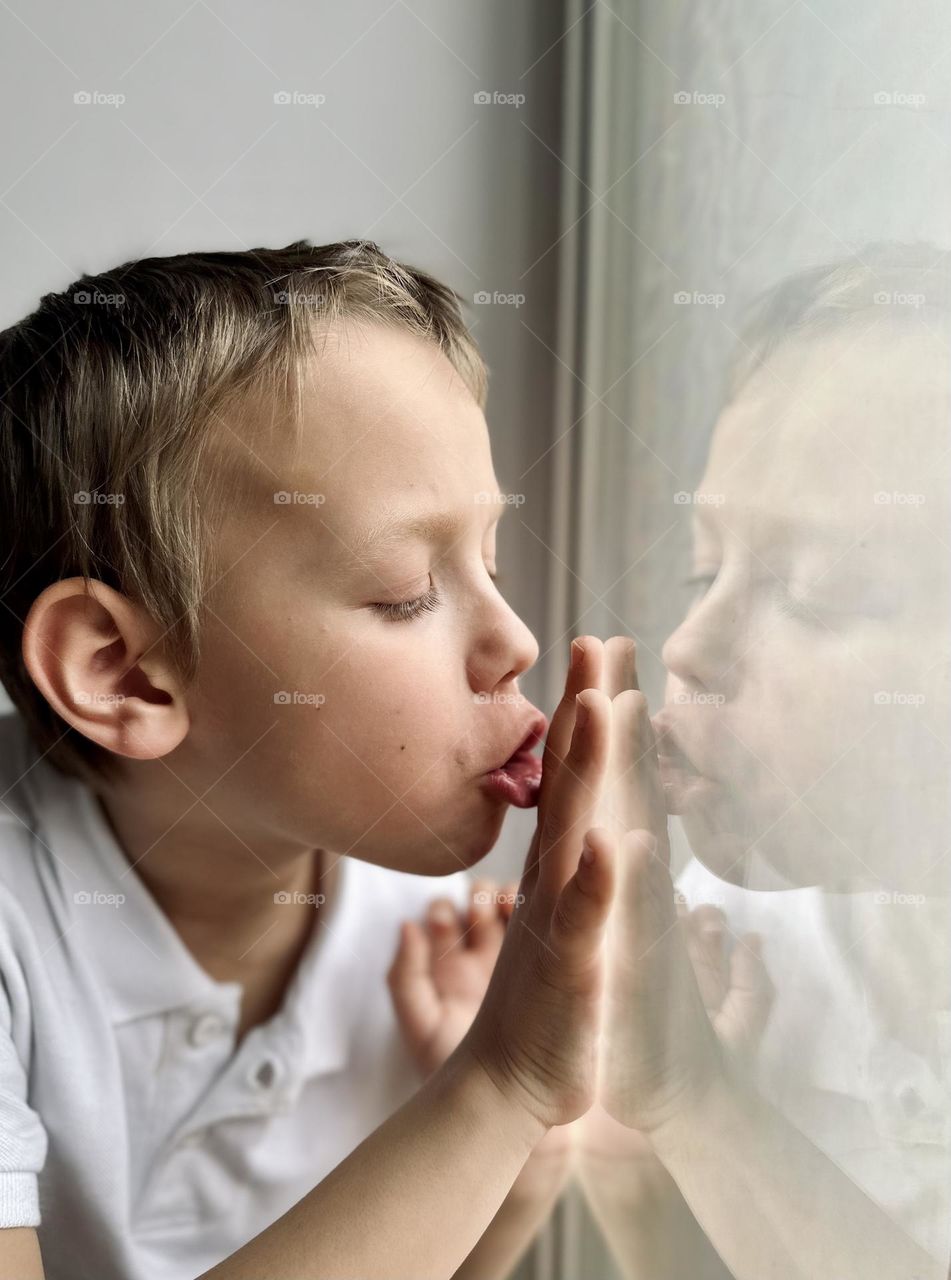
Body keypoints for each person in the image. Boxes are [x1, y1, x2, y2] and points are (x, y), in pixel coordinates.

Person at [0, 239, 626, 1280]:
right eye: (404, 591)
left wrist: (519, 1156)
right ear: (125, 674)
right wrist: (497, 1083)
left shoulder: (424, 942)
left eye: (492, 561)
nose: (516, 638)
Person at [578, 244, 951, 1278]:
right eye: (706, 566)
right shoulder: (733, 932)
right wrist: (634, 1166)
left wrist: (699, 1101)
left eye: (818, 589)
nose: (689, 645)